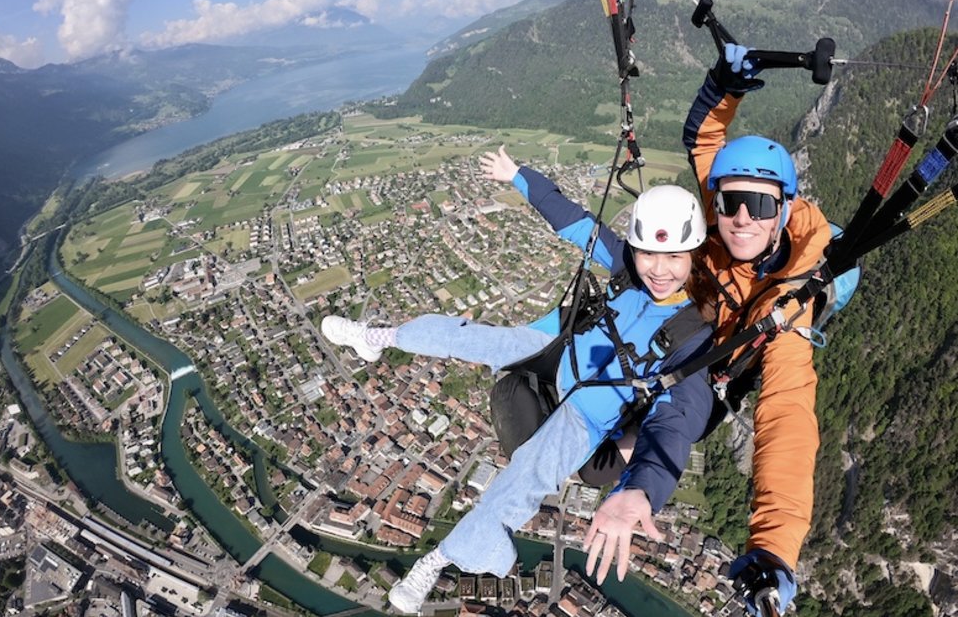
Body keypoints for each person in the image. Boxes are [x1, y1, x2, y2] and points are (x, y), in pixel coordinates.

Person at [322, 152, 717, 614]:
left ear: (694, 254)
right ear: (636, 248)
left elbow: (680, 418)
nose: (659, 270)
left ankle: (438, 558)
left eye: (674, 257)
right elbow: (573, 221)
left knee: (525, 477)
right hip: (558, 347)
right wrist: (519, 176)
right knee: (475, 338)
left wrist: (644, 488)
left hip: (588, 413)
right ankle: (378, 338)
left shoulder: (692, 329)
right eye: (649, 253)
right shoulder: (626, 265)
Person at [581, 44, 830, 616]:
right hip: (680, 338)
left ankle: (635, 466)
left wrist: (773, 547)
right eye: (731, 202)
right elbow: (703, 139)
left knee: (605, 460)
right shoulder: (720, 219)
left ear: (784, 210)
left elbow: (787, 419)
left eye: (759, 206)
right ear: (715, 201)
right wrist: (725, 83)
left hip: (709, 373)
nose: (742, 218)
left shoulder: (790, 302)